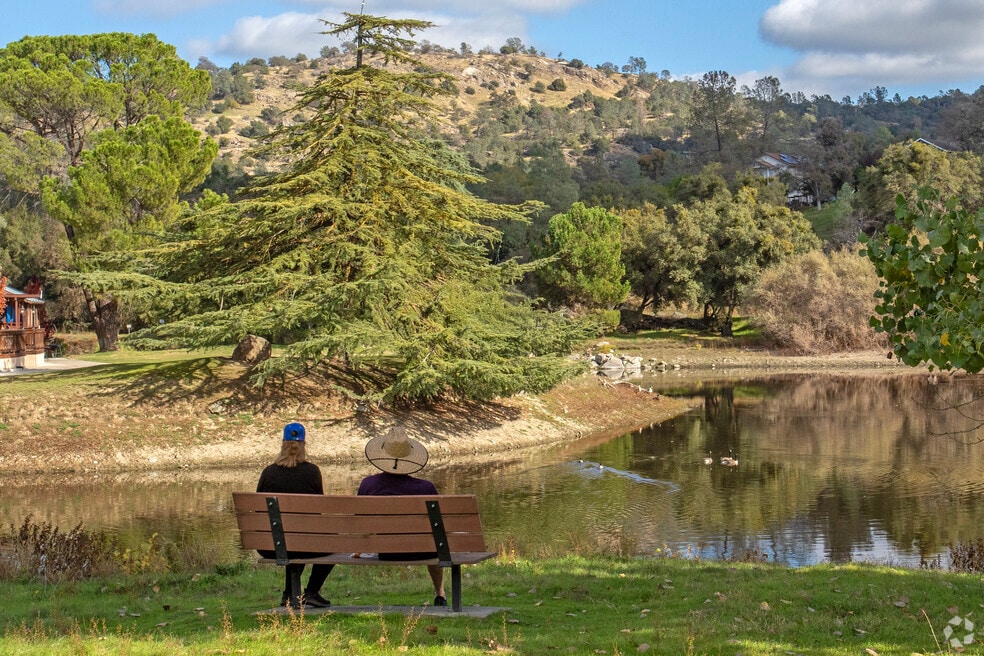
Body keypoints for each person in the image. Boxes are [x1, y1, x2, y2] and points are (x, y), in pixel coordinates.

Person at [358, 425, 448, 607]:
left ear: (383, 456)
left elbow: (360, 522)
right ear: (409, 458)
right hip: (422, 551)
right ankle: (440, 593)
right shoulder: (426, 488)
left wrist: (360, 549)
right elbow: (440, 524)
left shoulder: (368, 485)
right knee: (433, 541)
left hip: (384, 551)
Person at [256, 422, 333, 609]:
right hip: (302, 542)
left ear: (283, 444)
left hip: (268, 545)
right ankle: (312, 592)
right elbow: (318, 511)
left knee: (288, 538)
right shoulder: (312, 472)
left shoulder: (268, 473)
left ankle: (289, 594)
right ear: (303, 445)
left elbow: (259, 511)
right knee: (326, 542)